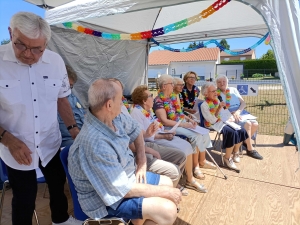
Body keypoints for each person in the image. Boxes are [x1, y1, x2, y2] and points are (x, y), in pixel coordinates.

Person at [0, 12, 82, 225]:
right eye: (21, 45)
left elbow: (62, 99)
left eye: (37, 49)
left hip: (49, 142)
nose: (29, 54)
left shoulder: (55, 62)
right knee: (24, 199)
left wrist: (74, 129)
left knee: (57, 185)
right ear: (11, 33)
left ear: (46, 43)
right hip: (17, 146)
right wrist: (8, 140)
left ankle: (61, 220)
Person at [68, 79, 181, 225]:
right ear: (109, 104)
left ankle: (140, 218)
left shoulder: (112, 117)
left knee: (167, 182)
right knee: (167, 210)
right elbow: (121, 190)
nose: (123, 103)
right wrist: (164, 193)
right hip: (104, 201)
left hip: (127, 178)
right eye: (120, 100)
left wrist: (141, 162)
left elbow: (136, 131)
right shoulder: (95, 143)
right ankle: (142, 216)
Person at [110, 79, 186, 193]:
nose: (153, 97)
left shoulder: (124, 108)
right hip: (136, 154)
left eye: (121, 91)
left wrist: (148, 134)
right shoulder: (118, 115)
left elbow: (138, 133)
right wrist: (149, 148)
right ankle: (167, 193)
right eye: (150, 95)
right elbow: (130, 144)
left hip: (144, 144)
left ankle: (174, 185)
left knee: (181, 155)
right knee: (174, 170)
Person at [131, 85, 202, 194]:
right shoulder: (136, 112)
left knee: (186, 145)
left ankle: (185, 177)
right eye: (150, 96)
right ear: (144, 101)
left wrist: (166, 132)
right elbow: (143, 136)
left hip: (161, 135)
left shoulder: (147, 111)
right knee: (183, 149)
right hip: (152, 141)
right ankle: (183, 180)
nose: (153, 98)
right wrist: (164, 135)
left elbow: (157, 127)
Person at [154, 75, 216, 184]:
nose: (173, 86)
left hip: (180, 123)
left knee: (203, 132)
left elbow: (179, 112)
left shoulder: (172, 97)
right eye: (171, 84)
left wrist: (188, 119)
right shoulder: (158, 100)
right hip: (170, 127)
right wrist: (184, 125)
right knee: (195, 135)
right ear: (164, 86)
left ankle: (201, 161)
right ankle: (195, 167)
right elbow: (164, 121)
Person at [201, 83, 250, 170]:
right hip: (214, 124)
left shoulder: (217, 100)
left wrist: (230, 117)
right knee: (231, 132)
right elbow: (212, 120)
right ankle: (227, 158)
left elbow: (226, 112)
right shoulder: (204, 105)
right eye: (213, 91)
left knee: (241, 130)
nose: (216, 93)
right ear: (206, 94)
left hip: (225, 121)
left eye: (216, 90)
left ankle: (235, 152)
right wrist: (219, 108)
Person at [215, 75, 263, 160]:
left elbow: (243, 103)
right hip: (229, 114)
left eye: (224, 81)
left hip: (240, 111)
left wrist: (238, 111)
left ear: (227, 82)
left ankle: (242, 142)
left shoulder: (233, 90)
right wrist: (232, 113)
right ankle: (250, 149)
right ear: (217, 84)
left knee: (255, 124)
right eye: (219, 82)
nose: (222, 84)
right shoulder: (217, 94)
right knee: (247, 124)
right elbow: (220, 109)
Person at [58, 65, 85, 147]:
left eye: (70, 86)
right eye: (66, 85)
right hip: (69, 140)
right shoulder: (52, 102)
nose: (68, 89)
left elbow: (83, 114)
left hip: (83, 134)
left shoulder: (72, 96)